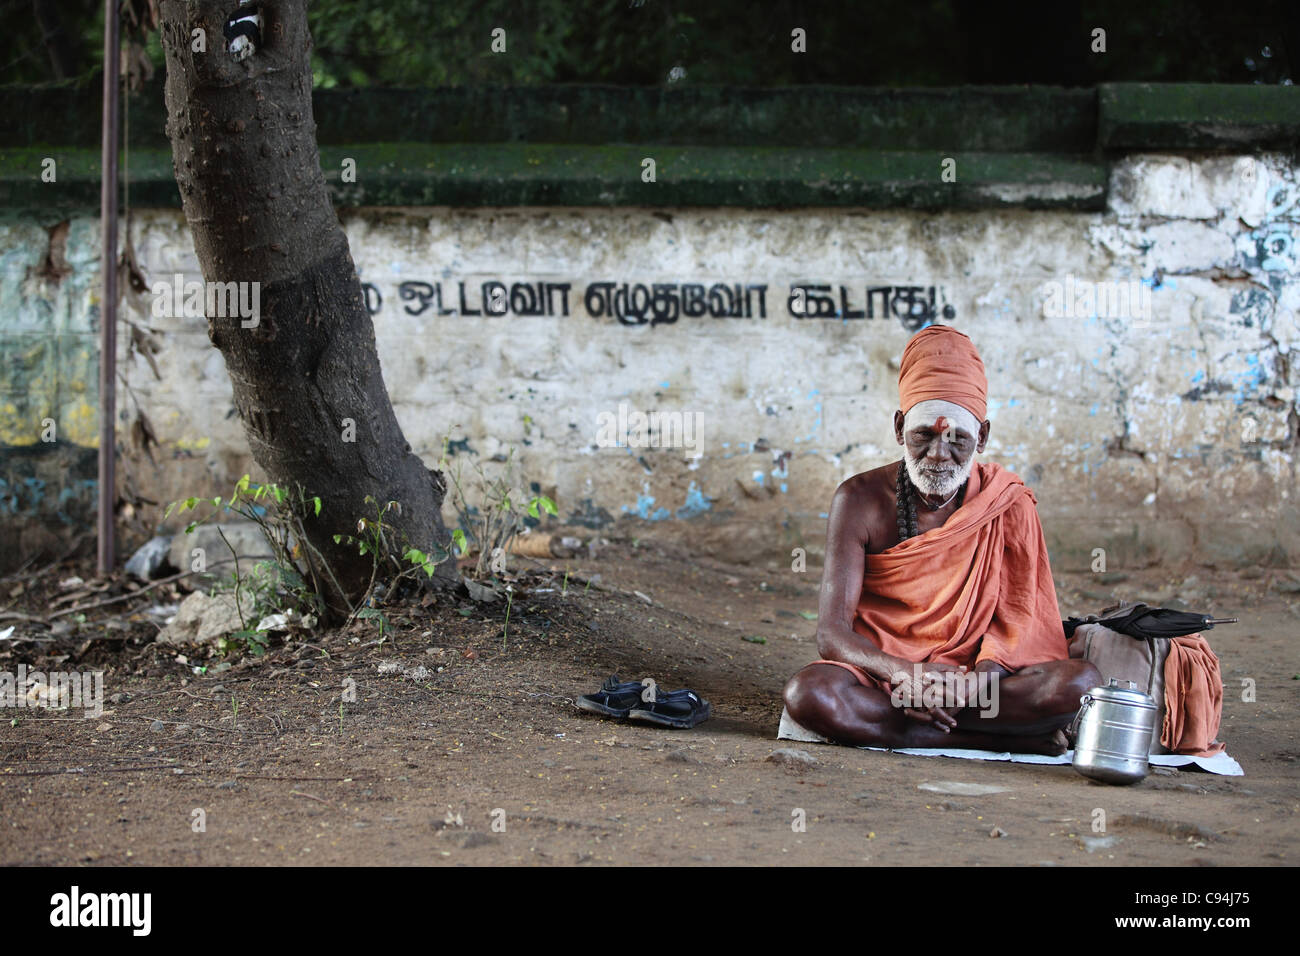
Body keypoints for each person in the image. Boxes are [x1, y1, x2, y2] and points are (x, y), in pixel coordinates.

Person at [782, 325, 1099, 754]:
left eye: (957, 440)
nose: (937, 454)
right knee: (811, 693)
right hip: (886, 681)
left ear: (982, 438)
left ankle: (917, 730)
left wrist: (972, 685)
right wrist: (904, 675)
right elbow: (832, 634)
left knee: (1081, 685)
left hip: (978, 685)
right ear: (899, 428)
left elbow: (1020, 626)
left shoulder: (1007, 503)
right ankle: (980, 738)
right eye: (923, 435)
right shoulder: (858, 500)